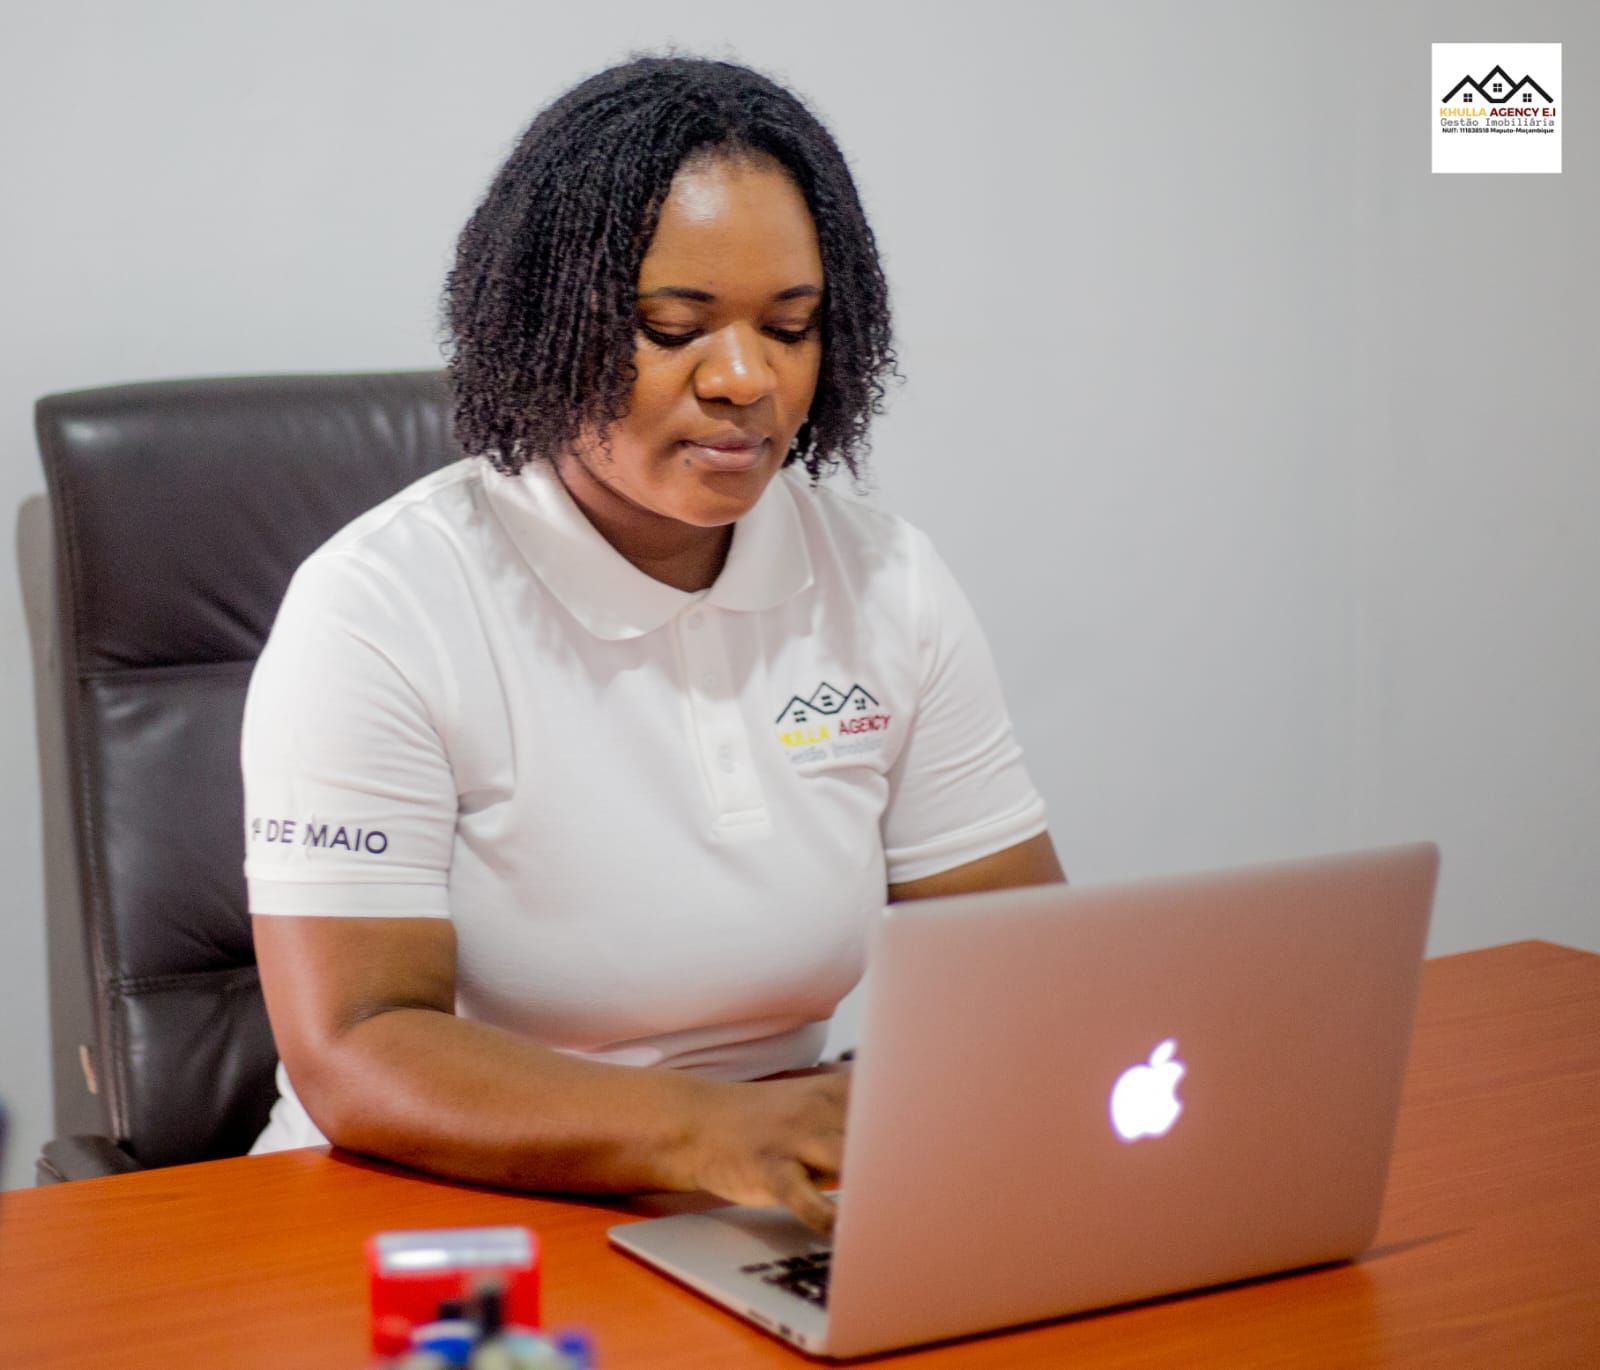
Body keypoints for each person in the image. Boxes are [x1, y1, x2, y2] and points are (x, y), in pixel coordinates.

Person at [243, 55, 1064, 1234]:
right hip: (426, 1215)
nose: (745, 379)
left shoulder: (883, 577)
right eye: (673, 327)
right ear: (545, 327)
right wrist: (708, 1133)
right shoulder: (381, 604)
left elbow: (1020, 959)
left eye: (791, 325)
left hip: (767, 1195)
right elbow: (359, 1044)